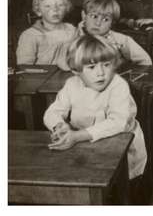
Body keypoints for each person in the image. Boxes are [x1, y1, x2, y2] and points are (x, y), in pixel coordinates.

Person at [43, 35, 147, 180]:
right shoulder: (72, 85)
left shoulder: (118, 85)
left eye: (106, 65)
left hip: (121, 149)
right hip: (84, 146)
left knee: (113, 184)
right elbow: (53, 112)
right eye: (91, 67)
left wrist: (78, 136)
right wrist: (59, 126)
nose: (101, 73)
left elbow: (118, 123)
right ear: (76, 70)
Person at [76, 0, 152, 66]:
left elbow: (145, 61)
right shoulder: (73, 37)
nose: (98, 23)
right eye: (94, 16)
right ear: (84, 16)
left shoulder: (122, 40)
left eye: (105, 19)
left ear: (112, 23)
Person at [16, 0, 76, 65]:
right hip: (42, 76)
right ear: (38, 11)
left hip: (68, 73)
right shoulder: (30, 35)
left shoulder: (71, 29)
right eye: (48, 6)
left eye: (60, 5)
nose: (55, 9)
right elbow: (24, 65)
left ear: (67, 8)